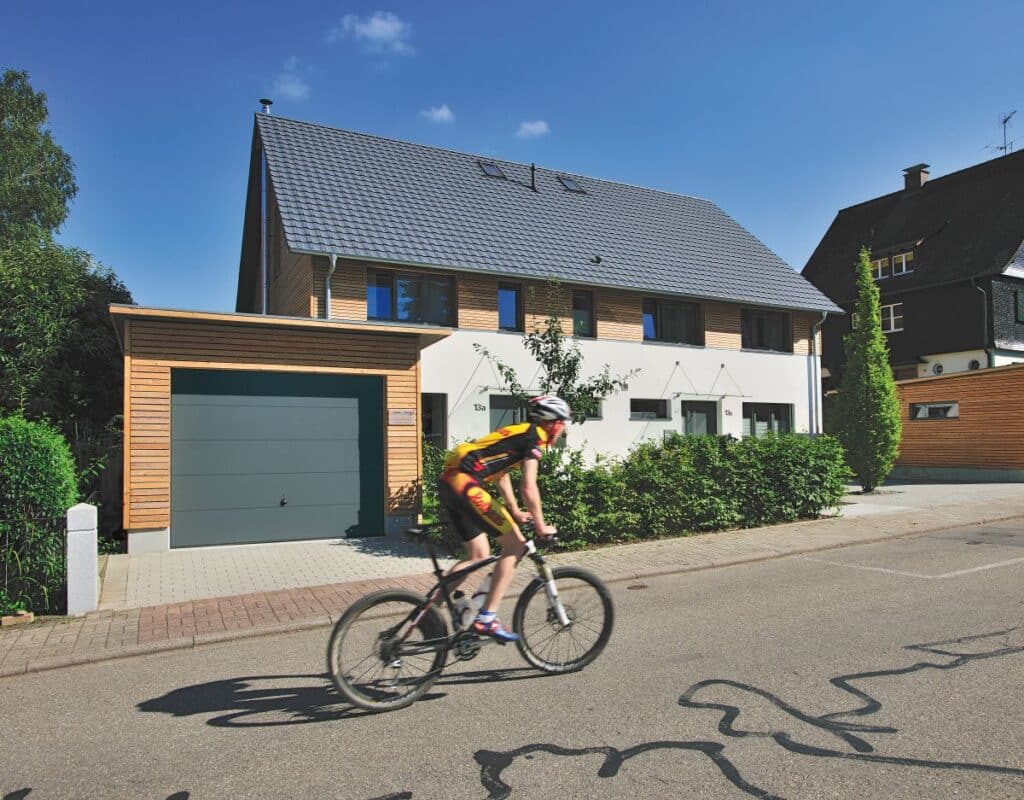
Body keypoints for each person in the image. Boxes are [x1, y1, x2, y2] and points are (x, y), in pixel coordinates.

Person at [437, 395, 571, 642]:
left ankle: (429, 608)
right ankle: (486, 617)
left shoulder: (518, 432)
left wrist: (515, 511)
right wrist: (541, 526)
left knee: (479, 555)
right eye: (563, 423)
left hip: (450, 482)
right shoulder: (534, 437)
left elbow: (500, 475)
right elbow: (529, 486)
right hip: (467, 485)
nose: (563, 429)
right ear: (553, 422)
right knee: (516, 546)